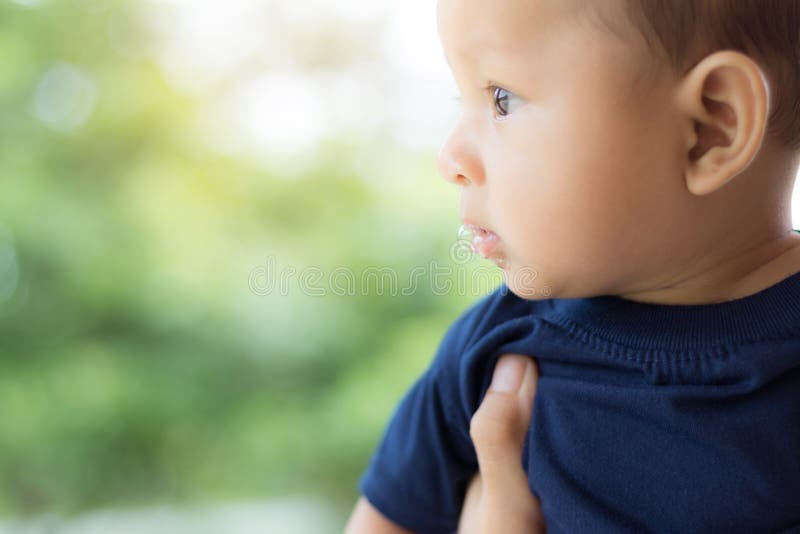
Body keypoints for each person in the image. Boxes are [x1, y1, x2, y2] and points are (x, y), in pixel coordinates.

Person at [347, 0, 800, 531]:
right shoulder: (493, 348)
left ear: (709, 128)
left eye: (502, 99)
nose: (449, 158)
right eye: (460, 96)